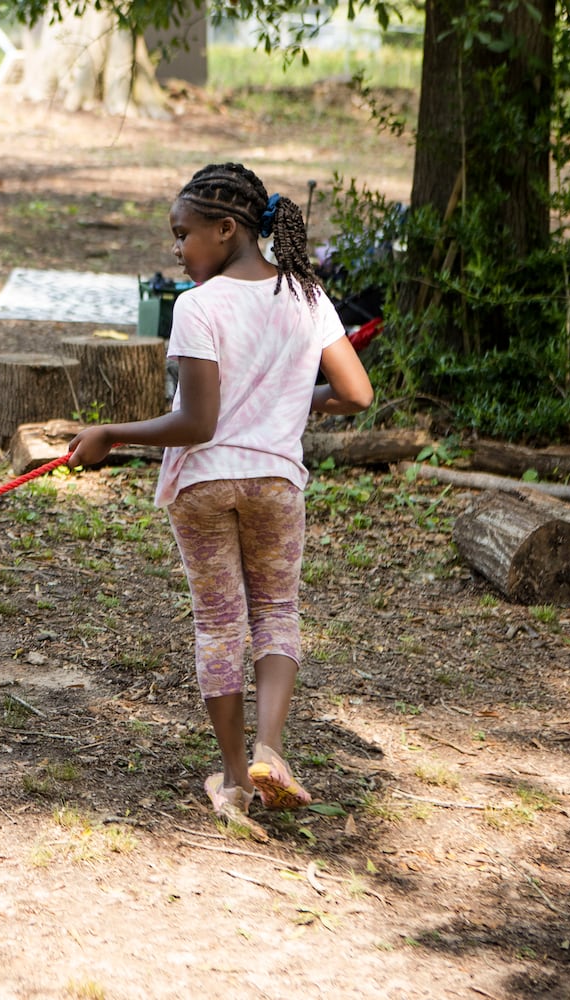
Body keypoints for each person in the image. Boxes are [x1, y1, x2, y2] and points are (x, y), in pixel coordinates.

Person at [68, 163, 374, 840]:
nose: (178, 250)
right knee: (276, 612)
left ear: (225, 228)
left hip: (205, 485)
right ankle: (270, 750)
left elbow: (198, 423)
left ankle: (235, 779)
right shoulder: (306, 294)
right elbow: (356, 394)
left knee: (219, 624)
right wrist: (293, 399)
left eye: (183, 235)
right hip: (274, 482)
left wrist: (110, 434)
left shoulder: (199, 307)